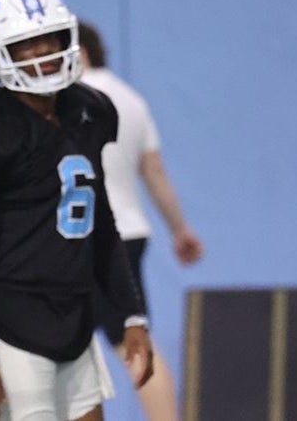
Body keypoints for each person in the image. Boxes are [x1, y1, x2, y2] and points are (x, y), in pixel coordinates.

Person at [0, 0, 155, 421]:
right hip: (12, 324)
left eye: (50, 39)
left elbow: (101, 223)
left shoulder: (92, 109)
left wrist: (132, 315)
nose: (42, 51)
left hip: (75, 318)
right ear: (1, 51)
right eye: (26, 44)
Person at [79, 21, 203, 421]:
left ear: (76, 51)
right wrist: (180, 230)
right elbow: (154, 171)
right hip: (130, 234)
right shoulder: (132, 100)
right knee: (133, 342)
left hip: (81, 237)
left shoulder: (63, 98)